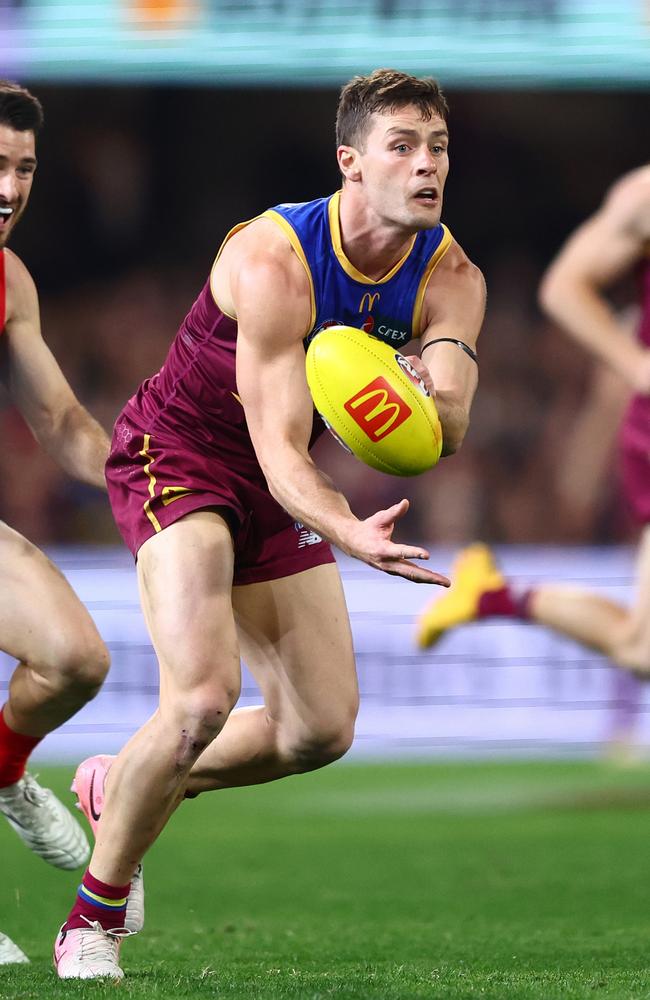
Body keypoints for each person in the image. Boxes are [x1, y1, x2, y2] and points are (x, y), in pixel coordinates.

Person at [53, 68, 486, 980]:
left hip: (273, 477)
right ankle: (92, 916)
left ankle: (119, 783)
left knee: (319, 731)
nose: (425, 166)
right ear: (350, 164)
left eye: (437, 147)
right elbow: (284, 450)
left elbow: (448, 433)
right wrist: (353, 531)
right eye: (401, 147)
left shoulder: (451, 278)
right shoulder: (273, 260)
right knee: (202, 699)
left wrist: (425, 397)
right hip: (178, 456)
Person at [417, 166, 650, 683]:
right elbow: (565, 287)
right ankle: (492, 595)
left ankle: (492, 595)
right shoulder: (644, 196)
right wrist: (636, 366)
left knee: (643, 650)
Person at [0, 80, 112, 960]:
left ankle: (4, 771)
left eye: (24, 167)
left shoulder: (8, 279)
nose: (9, 188)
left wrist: (156, 485)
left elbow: (66, 427)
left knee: (75, 659)